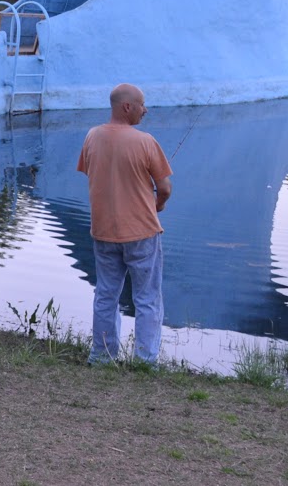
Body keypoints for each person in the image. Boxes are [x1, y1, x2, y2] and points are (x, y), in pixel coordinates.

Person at [76, 82, 173, 365]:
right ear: (127, 107)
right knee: (147, 298)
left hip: (104, 231)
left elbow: (92, 173)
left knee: (106, 295)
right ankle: (144, 361)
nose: (146, 110)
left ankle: (102, 355)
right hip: (142, 232)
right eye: (142, 104)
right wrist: (158, 205)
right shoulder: (145, 141)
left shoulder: (92, 137)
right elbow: (164, 187)